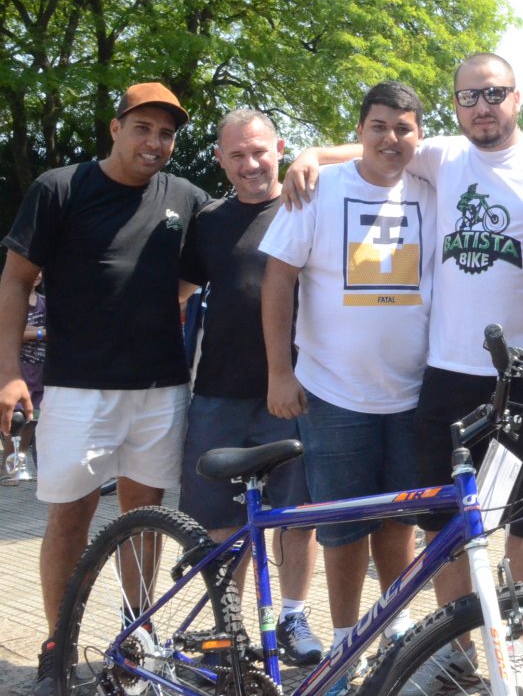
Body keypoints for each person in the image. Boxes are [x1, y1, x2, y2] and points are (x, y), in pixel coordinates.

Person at [281, 53, 523, 691]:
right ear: (455, 106)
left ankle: (518, 647)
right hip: (447, 373)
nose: (482, 106)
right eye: (469, 97)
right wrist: (308, 154)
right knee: (442, 522)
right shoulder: (443, 155)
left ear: (517, 97)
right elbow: (379, 144)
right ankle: (457, 649)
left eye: (494, 93)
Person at [0, 82, 209, 695]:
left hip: (159, 389)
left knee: (143, 521)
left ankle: (133, 639)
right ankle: (58, 642)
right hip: (76, 389)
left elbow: (194, 276)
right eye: (142, 128)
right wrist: (8, 372)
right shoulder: (59, 188)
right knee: (70, 519)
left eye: (166, 134)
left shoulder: (186, 198)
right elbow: (15, 280)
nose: (155, 142)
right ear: (115, 128)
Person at [260, 81, 434, 695]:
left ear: (419, 135)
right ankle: (344, 644)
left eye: (404, 127)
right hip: (333, 393)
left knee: (398, 522)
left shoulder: (430, 186)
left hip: (412, 393)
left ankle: (396, 631)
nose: (391, 138)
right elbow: (277, 281)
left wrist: (312, 148)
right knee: (342, 528)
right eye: (378, 126)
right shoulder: (318, 189)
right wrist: (279, 372)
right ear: (358, 131)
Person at [178, 109, 321, 666]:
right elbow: (179, 290)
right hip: (218, 391)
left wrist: (314, 155)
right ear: (220, 160)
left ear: (280, 148)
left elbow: (375, 150)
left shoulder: (308, 199)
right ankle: (227, 628)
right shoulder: (208, 220)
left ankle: (292, 615)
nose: (250, 164)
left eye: (259, 151)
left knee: (295, 514)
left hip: (294, 388)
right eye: (236, 154)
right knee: (220, 522)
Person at [3, 272, 45, 483]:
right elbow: (10, 332)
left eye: (40, 271)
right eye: (33, 270)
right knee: (15, 419)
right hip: (17, 369)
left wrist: (30, 331)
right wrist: (41, 332)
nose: (36, 275)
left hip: (41, 369)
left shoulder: (46, 303)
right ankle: (8, 469)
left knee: (31, 419)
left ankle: (20, 465)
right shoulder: (12, 301)